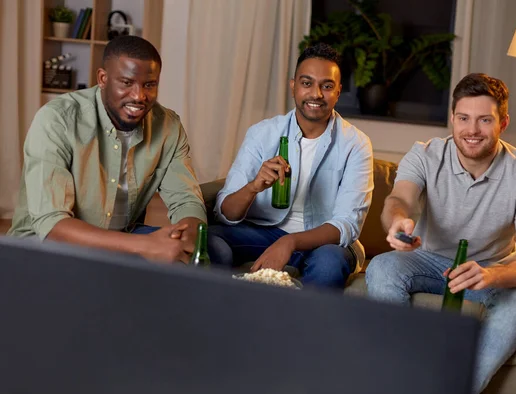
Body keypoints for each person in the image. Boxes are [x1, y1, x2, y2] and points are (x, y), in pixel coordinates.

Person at [365, 73, 516, 394]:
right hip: (427, 260)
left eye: (484, 120)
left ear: (503, 123)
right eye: (463, 118)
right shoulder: (425, 155)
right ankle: (401, 381)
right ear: (452, 118)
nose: (472, 130)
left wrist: (491, 275)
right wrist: (398, 222)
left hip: (486, 271)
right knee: (382, 267)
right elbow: (398, 201)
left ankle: (452, 392)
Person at [8, 35, 206, 264]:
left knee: (213, 250)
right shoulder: (57, 120)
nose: (139, 96)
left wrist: (187, 236)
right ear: (102, 78)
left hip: (121, 241)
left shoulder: (169, 126)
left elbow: (186, 201)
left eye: (149, 85)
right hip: (46, 247)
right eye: (126, 82)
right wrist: (146, 245)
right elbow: (52, 225)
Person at [208, 43, 374, 288]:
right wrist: (253, 187)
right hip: (263, 232)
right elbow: (225, 211)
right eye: (307, 83)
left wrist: (291, 242)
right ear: (293, 86)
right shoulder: (262, 134)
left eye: (327, 86)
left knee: (329, 264)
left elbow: (346, 225)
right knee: (209, 239)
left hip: (324, 243)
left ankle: (299, 326)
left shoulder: (356, 144)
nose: (316, 94)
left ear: (338, 92)